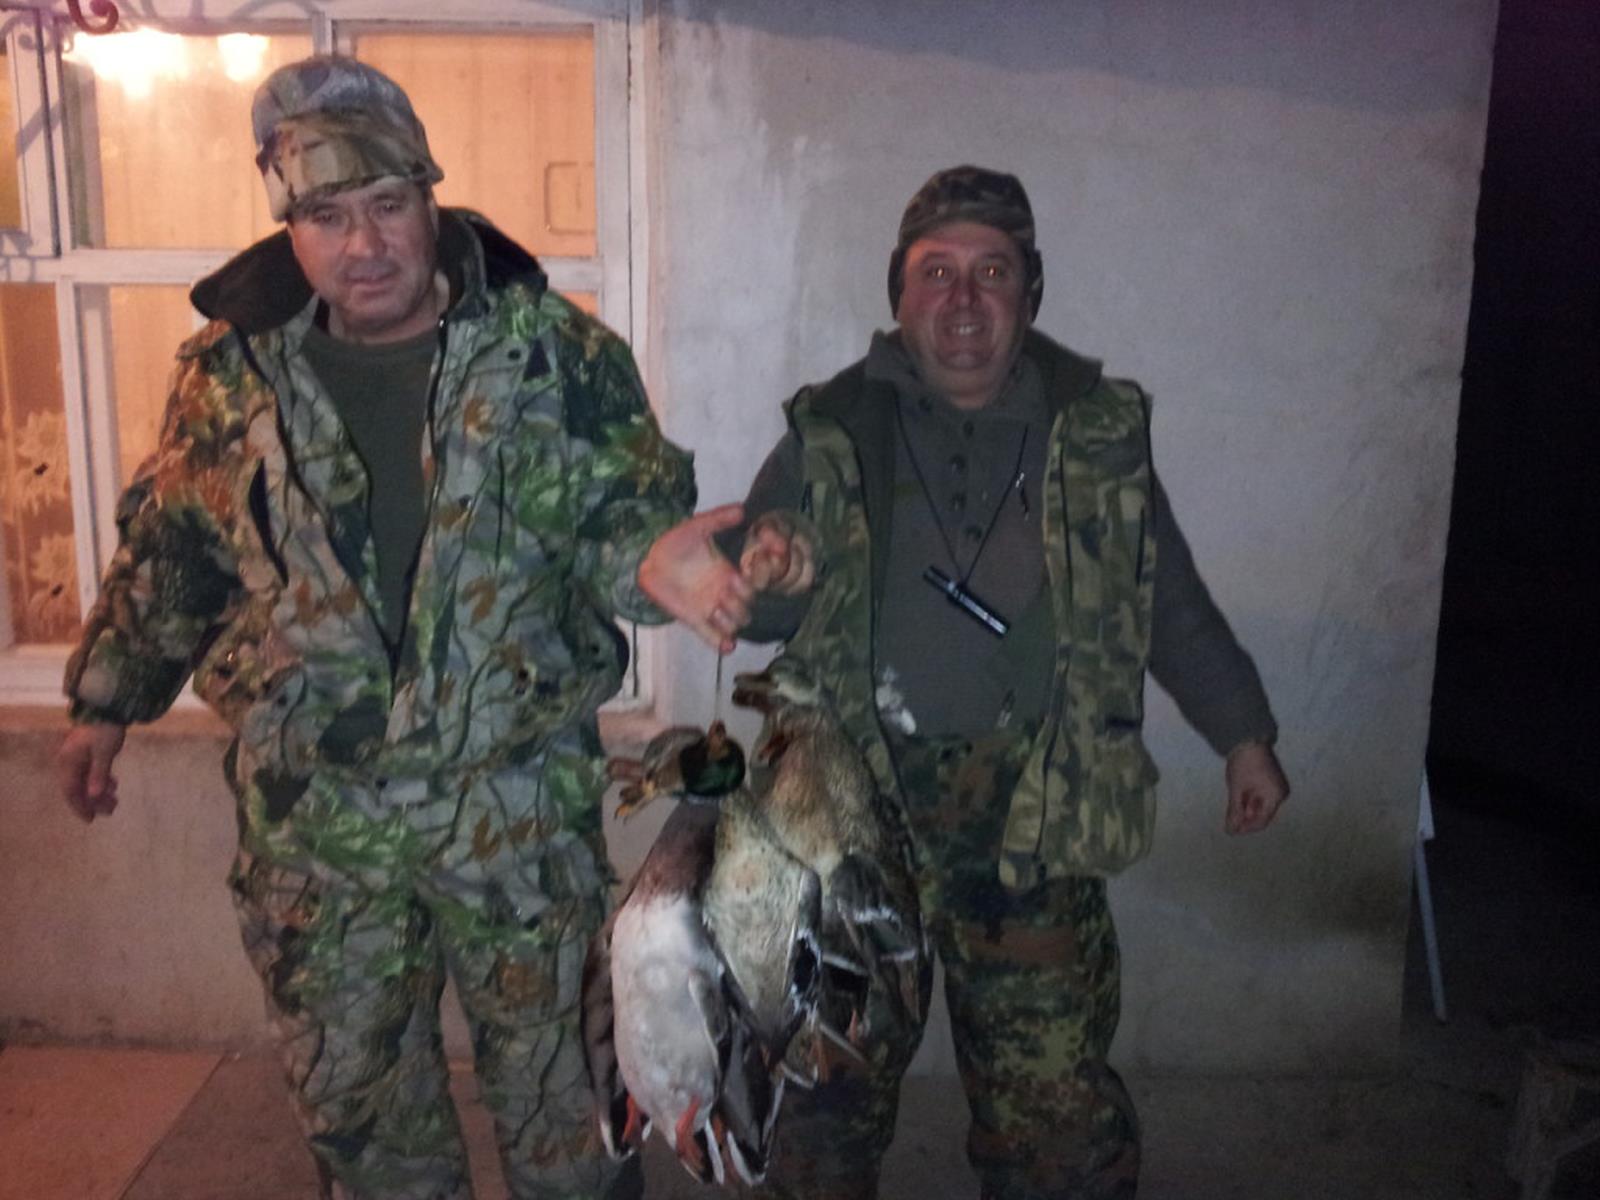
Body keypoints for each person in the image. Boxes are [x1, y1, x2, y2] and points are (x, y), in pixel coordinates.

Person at [54, 55, 752, 1200]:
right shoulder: (230, 373)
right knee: (366, 1126)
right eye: (327, 217)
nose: (364, 245)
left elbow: (617, 514)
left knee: (571, 1120)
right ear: (289, 227)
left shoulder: (552, 356)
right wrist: (104, 703)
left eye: (386, 205)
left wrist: (651, 560)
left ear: (430, 199)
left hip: (513, 815)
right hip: (319, 827)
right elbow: (176, 546)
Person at [689, 165, 1292, 1200]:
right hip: (849, 813)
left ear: (1029, 291)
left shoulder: (1095, 434)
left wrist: (1243, 733)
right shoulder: (831, 427)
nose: (963, 299)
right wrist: (764, 572)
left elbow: (1163, 598)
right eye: (936, 272)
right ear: (899, 290)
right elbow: (763, 609)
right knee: (821, 1092)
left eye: (992, 271)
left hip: (1035, 811)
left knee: (1053, 1116)